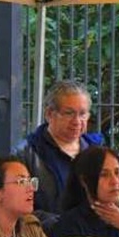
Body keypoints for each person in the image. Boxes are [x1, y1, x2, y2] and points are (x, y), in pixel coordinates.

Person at [14, 79, 104, 227]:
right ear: (49, 114)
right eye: (69, 113)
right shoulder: (26, 154)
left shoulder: (97, 152)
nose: (77, 121)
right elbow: (17, 206)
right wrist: (62, 224)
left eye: (82, 114)